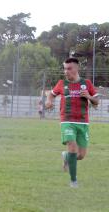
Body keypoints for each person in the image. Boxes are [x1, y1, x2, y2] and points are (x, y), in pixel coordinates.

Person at [45, 58, 99, 188]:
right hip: (67, 120)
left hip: (83, 123)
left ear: (76, 69)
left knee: (80, 155)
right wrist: (49, 101)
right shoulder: (61, 83)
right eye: (64, 68)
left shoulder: (86, 83)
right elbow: (51, 94)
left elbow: (96, 102)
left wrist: (88, 97)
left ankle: (66, 156)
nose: (66, 71)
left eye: (69, 68)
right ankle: (73, 181)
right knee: (72, 146)